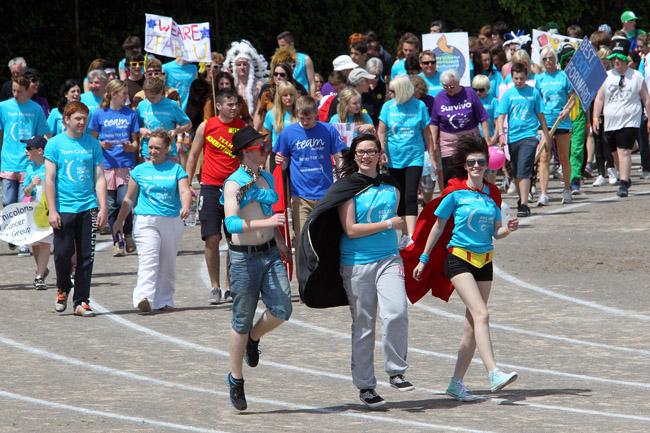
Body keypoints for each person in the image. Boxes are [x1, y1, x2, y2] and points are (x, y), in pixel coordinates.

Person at [411, 134, 520, 401]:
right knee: (482, 314)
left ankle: (456, 383)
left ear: (486, 165)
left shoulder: (492, 194)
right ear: (465, 165)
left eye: (480, 162)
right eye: (471, 162)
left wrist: (509, 229)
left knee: (473, 324)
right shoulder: (454, 193)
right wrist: (423, 258)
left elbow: (497, 232)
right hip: (458, 258)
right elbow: (437, 227)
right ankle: (493, 372)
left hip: (485, 261)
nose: (476, 166)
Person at [336, 134, 412, 407]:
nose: (366, 156)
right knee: (364, 325)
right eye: (360, 152)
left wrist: (402, 234)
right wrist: (389, 225)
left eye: (371, 151)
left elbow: (399, 218)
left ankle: (396, 371)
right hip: (357, 262)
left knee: (397, 311)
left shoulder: (392, 184)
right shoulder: (348, 187)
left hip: (389, 257)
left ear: (381, 155)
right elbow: (351, 230)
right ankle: (366, 386)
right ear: (354, 156)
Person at [222, 126, 292, 411]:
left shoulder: (264, 177)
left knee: (282, 309)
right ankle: (235, 378)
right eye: (260, 147)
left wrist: (278, 240)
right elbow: (232, 224)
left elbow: (266, 212)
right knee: (241, 319)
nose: (265, 150)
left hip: (270, 252)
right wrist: (270, 224)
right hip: (243, 257)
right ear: (245, 152)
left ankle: (254, 337)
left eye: (264, 146)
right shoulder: (234, 184)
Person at [113, 129, 191, 312]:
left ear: (167, 149)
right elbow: (129, 199)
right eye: (150, 147)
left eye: (157, 148)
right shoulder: (139, 170)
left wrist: (185, 206)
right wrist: (119, 221)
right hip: (146, 221)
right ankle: (144, 298)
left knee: (168, 262)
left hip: (171, 220)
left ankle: (165, 300)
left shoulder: (176, 169)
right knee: (149, 259)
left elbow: (185, 190)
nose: (153, 151)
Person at [44, 101, 108, 317]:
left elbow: (99, 177)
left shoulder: (93, 144)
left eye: (84, 118)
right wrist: (52, 210)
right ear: (67, 120)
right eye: (77, 119)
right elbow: (50, 180)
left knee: (86, 256)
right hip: (63, 208)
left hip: (87, 206)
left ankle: (81, 301)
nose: (82, 122)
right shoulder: (54, 145)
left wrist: (103, 207)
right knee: (62, 254)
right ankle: (63, 287)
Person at [185, 88, 246, 303]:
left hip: (235, 189)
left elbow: (250, 159)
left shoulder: (242, 128)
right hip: (210, 187)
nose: (233, 108)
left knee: (234, 238)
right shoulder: (206, 126)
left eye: (236, 104)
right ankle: (215, 286)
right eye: (229, 104)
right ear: (218, 106)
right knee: (211, 237)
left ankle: (231, 286)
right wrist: (186, 183)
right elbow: (193, 155)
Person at [275, 96, 346, 269]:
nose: (305, 121)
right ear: (297, 113)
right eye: (301, 117)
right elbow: (283, 162)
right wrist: (280, 161)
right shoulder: (288, 133)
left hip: (326, 195)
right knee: (302, 240)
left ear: (316, 114)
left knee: (326, 237)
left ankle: (326, 277)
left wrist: (342, 170)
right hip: (301, 196)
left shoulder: (328, 130)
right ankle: (304, 287)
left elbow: (339, 156)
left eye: (309, 118)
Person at [0, 75, 51, 256]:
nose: (15, 94)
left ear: (27, 90)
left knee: (24, 202)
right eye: (13, 90)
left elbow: (45, 135)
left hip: (27, 164)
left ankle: (23, 242)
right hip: (8, 161)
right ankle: (12, 234)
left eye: (19, 91)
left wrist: (48, 157)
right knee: (7, 202)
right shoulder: (3, 107)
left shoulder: (36, 109)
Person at [593, 37, 650, 197]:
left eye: (620, 58)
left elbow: (646, 98)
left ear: (626, 59)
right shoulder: (606, 76)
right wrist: (596, 117)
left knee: (624, 150)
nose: (616, 61)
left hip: (630, 119)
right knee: (614, 152)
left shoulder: (636, 76)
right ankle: (624, 174)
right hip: (611, 121)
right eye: (614, 58)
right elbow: (599, 98)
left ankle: (624, 182)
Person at [89, 79, 140, 256]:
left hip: (125, 165)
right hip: (105, 166)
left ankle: (127, 233)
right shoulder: (99, 114)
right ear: (112, 94)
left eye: (127, 93)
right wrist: (101, 144)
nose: (126, 97)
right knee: (109, 206)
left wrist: (130, 147)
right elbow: (92, 140)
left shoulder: (131, 114)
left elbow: (135, 143)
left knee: (124, 201)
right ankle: (117, 240)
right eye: (123, 94)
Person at [378, 76, 431, 239]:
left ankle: (412, 235)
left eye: (393, 91)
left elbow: (427, 132)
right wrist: (382, 150)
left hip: (414, 156)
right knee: (398, 195)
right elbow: (380, 130)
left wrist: (430, 154)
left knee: (410, 194)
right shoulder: (388, 106)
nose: (390, 93)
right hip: (394, 158)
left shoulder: (419, 105)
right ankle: (404, 234)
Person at [496, 62, 552, 217]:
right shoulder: (508, 94)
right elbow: (501, 116)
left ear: (526, 77)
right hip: (513, 137)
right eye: (516, 78)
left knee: (524, 168)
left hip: (529, 136)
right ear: (511, 78)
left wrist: (546, 136)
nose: (519, 81)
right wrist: (501, 135)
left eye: (521, 78)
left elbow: (541, 116)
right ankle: (522, 198)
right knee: (516, 171)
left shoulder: (534, 93)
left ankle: (524, 205)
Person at [430, 69, 489, 186]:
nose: (449, 90)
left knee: (471, 171)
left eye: (452, 86)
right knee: (449, 175)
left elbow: (483, 117)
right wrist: (433, 143)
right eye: (445, 87)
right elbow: (434, 122)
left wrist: (487, 138)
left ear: (458, 82)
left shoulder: (470, 93)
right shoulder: (439, 98)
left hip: (470, 139)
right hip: (448, 142)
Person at [535, 46, 575, 206]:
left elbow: (572, 98)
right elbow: (537, 101)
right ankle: (544, 193)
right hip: (545, 123)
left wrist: (567, 111)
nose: (548, 61)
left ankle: (567, 189)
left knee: (564, 157)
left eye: (551, 58)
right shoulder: (539, 79)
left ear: (555, 59)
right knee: (544, 157)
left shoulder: (564, 76)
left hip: (562, 121)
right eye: (545, 59)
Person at [137, 77, 192, 162]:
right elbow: (135, 126)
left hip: (168, 153)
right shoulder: (142, 105)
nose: (149, 100)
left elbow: (188, 124)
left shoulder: (172, 105)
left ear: (161, 92)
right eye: (147, 96)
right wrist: (141, 130)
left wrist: (175, 131)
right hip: (148, 153)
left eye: (153, 97)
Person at [22, 135, 52, 289]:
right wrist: (32, 185)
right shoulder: (29, 168)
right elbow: (26, 193)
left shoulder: (50, 166)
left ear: (40, 151)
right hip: (33, 209)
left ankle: (39, 276)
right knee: (34, 242)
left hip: (47, 209)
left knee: (45, 242)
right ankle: (42, 268)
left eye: (29, 148)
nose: (26, 151)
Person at [224, 40, 268, 116]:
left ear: (250, 66)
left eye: (245, 64)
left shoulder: (259, 84)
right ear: (235, 67)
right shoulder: (231, 85)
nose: (242, 67)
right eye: (239, 64)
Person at [277, 31, 315, 96]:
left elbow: (312, 82)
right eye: (279, 46)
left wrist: (313, 100)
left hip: (302, 97)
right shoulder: (279, 60)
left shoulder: (305, 59)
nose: (280, 49)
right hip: (285, 97)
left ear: (291, 44)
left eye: (283, 45)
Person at [262, 81, 297, 148]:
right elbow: (266, 137)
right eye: (285, 95)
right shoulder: (271, 114)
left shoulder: (300, 112)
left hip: (296, 153)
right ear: (279, 97)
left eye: (291, 94)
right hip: (277, 153)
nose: (289, 97)